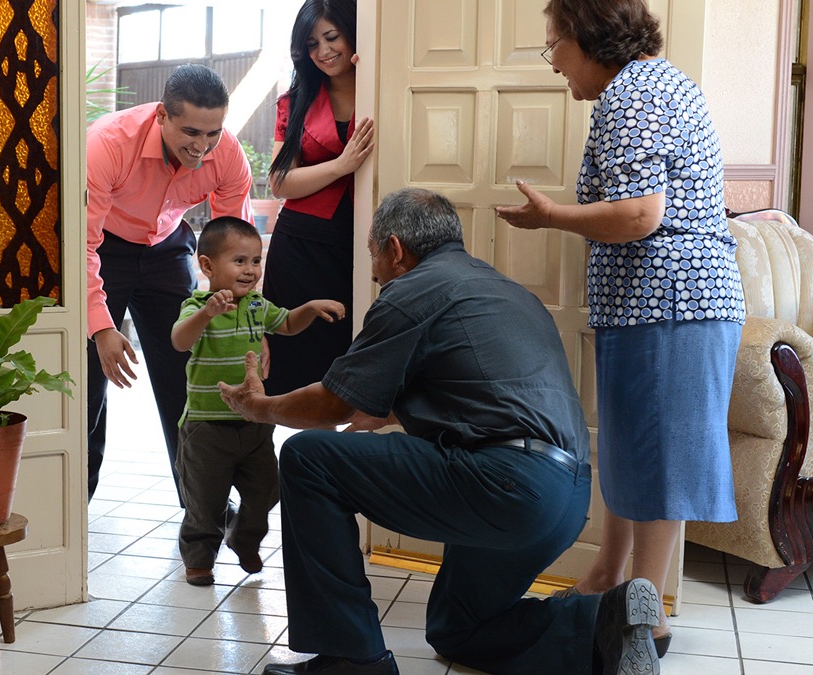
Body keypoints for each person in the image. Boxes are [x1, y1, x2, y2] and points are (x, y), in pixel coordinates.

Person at [220, 188, 663, 675]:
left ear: (395, 249)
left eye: (373, 255)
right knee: (459, 629)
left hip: (504, 485)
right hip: (567, 499)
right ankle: (605, 622)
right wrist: (388, 413)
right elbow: (482, 394)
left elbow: (333, 404)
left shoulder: (411, 292)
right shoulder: (505, 290)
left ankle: (352, 659)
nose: (375, 273)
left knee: (308, 458)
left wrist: (260, 408)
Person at [495, 0, 746, 657]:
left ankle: (645, 616)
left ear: (588, 37)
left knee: (658, 460)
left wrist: (552, 217)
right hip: (655, 306)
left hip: (671, 305)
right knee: (636, 450)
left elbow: (640, 215)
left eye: (554, 45)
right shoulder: (645, 85)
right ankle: (611, 576)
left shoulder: (634, 94)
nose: (553, 63)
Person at [85, 64, 253, 500]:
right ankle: (73, 507)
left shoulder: (226, 153)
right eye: (191, 132)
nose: (202, 146)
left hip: (166, 246)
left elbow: (235, 246)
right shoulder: (107, 143)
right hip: (104, 249)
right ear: (162, 115)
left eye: (213, 133)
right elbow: (81, 245)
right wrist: (101, 329)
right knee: (88, 381)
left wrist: (243, 322)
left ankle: (203, 508)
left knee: (188, 376)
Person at [171, 216, 345, 587]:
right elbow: (180, 340)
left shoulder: (256, 305)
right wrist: (207, 313)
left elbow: (287, 324)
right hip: (206, 426)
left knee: (267, 490)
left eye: (255, 261)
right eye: (239, 261)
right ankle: (199, 559)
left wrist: (310, 308)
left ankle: (244, 539)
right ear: (207, 266)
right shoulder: (197, 304)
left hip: (254, 422)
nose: (250, 270)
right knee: (205, 500)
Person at [262, 0, 375, 396]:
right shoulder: (295, 100)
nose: (323, 51)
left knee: (359, 363)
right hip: (300, 247)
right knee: (297, 366)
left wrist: (372, 66)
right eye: (312, 44)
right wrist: (342, 165)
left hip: (364, 243)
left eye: (332, 37)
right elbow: (279, 182)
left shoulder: (382, 85)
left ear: (352, 34)